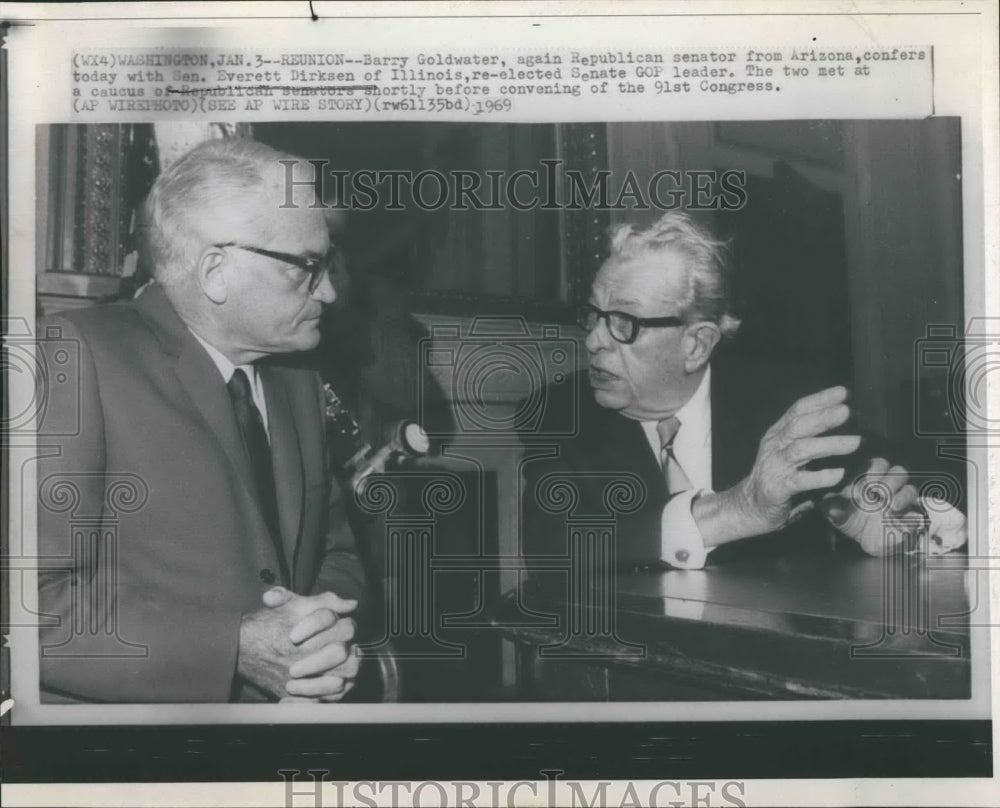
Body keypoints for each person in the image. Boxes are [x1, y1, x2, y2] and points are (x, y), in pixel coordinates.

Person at [36, 138, 366, 703]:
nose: (330, 292)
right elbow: (27, 606)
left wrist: (320, 634)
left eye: (328, 263)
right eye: (307, 268)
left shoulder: (297, 380)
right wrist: (232, 647)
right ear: (216, 271)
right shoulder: (76, 357)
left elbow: (338, 552)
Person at [522, 210, 963, 573]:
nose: (593, 340)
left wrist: (907, 521)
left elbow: (931, 485)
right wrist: (740, 508)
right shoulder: (559, 411)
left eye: (622, 323)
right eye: (594, 315)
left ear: (696, 344)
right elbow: (554, 543)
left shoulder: (785, 407)